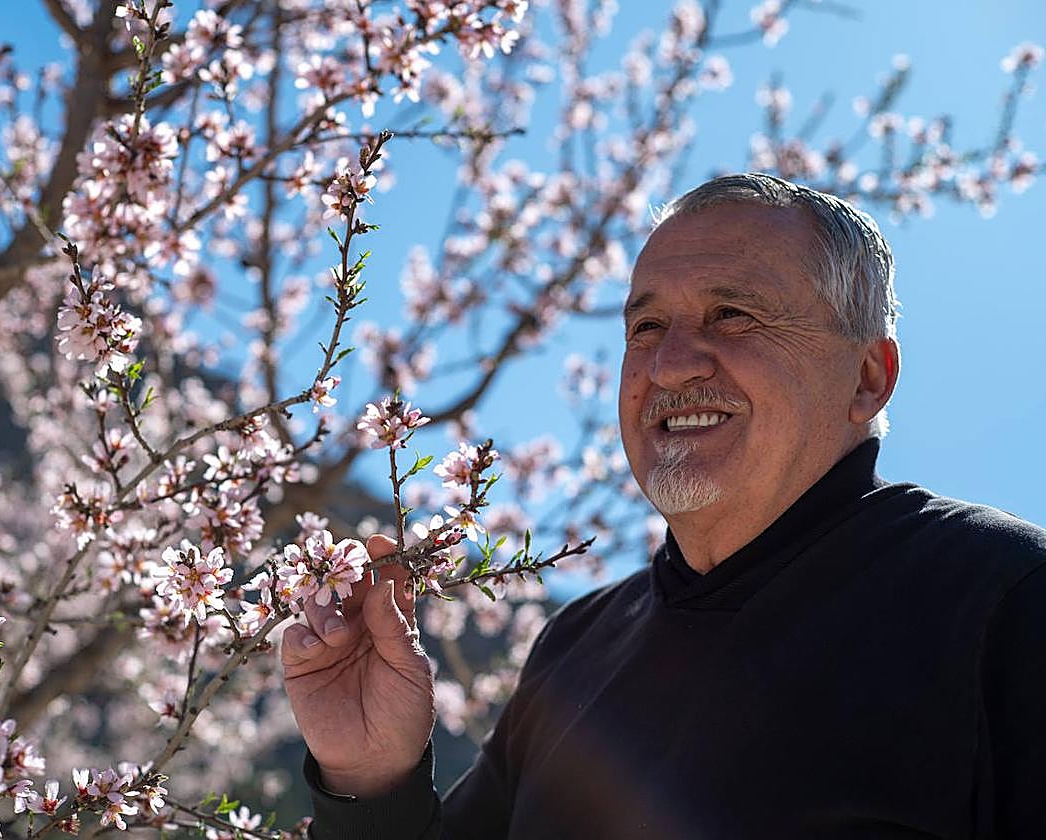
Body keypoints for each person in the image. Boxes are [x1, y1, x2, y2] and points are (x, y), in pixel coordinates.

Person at [280, 173, 1046, 839]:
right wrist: (369, 779)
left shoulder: (1002, 598)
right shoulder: (575, 648)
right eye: (646, 326)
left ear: (868, 378)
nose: (671, 365)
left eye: (733, 315)